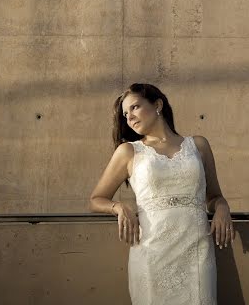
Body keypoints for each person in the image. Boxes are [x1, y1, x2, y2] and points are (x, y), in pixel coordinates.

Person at [89, 83, 234, 304]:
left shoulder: (198, 146)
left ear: (157, 105)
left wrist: (222, 207)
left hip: (196, 251)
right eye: (125, 114)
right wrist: (118, 207)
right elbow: (96, 199)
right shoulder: (128, 151)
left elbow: (214, 197)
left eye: (135, 107)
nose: (129, 117)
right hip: (151, 251)